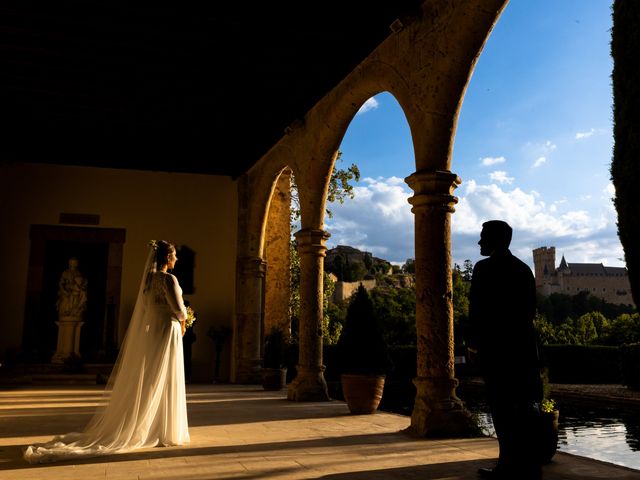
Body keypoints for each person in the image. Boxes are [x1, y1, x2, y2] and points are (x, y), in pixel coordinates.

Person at [24, 240, 190, 463]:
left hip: (154, 331)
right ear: (167, 258)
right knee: (165, 376)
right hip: (167, 329)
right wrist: (185, 321)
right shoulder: (169, 279)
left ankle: (151, 425)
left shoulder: (148, 281)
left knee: (152, 375)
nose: (176, 259)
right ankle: (164, 428)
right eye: (174, 255)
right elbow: (179, 309)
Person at [467, 221, 543, 480]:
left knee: (502, 410)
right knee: (523, 410)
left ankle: (507, 466)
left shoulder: (484, 268)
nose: (479, 242)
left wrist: (474, 344)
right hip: (521, 349)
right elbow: (529, 312)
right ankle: (529, 467)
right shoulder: (523, 269)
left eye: (482, 237)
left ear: (495, 240)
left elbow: (477, 310)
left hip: (497, 350)